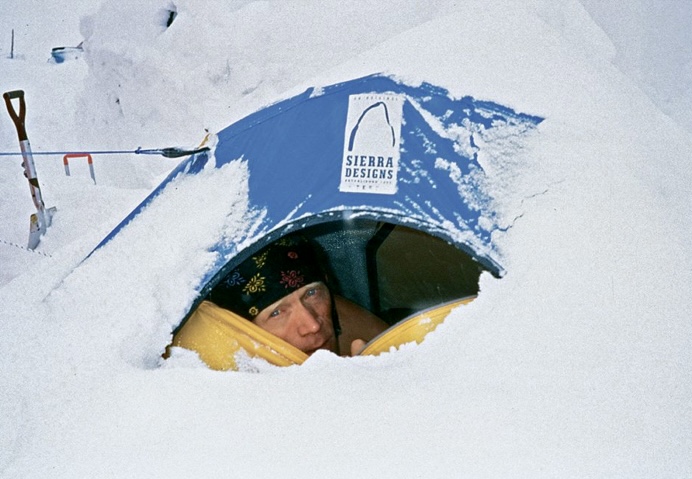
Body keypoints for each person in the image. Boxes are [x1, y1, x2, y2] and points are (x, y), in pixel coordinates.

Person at [208, 234, 389, 357]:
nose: (312, 325)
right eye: (277, 312)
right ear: (242, 329)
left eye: (311, 293)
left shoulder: (350, 324)